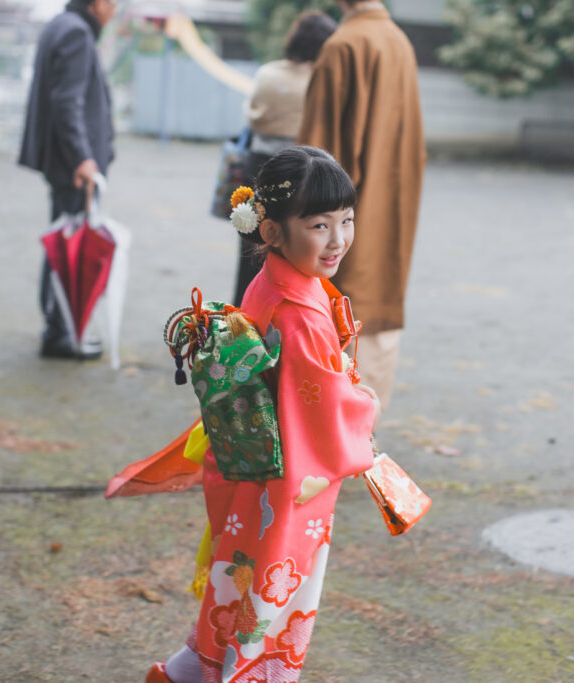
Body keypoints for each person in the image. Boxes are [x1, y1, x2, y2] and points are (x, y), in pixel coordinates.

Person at [147, 147, 381, 683]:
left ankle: (188, 670)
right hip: (288, 481)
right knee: (275, 587)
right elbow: (324, 407)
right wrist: (366, 403)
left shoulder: (273, 280)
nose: (339, 239)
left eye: (346, 221)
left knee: (240, 573)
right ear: (272, 232)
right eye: (319, 225)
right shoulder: (299, 311)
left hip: (253, 463)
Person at [296, 0, 426, 411]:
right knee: (376, 317)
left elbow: (314, 163)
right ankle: (362, 438)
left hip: (341, 222)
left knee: (334, 315)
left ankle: (330, 445)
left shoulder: (344, 45)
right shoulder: (398, 41)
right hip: (392, 212)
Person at [19, 0, 116, 359]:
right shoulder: (75, 32)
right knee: (70, 247)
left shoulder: (61, 25)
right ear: (96, 4)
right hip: (74, 168)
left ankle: (60, 326)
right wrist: (83, 158)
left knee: (66, 241)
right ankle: (59, 331)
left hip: (64, 163)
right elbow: (67, 101)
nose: (114, 10)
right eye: (113, 3)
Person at [231, 11, 337, 306]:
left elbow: (251, 116)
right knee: (293, 246)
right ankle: (287, 311)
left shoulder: (267, 73)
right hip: (299, 169)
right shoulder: (320, 81)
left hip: (258, 162)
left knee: (253, 241)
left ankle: (244, 310)